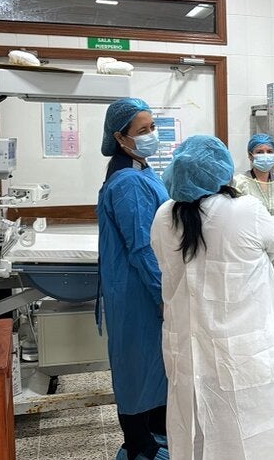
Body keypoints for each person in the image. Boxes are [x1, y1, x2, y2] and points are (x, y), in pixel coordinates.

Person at [150, 135, 274, 460]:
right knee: (251, 430)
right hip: (240, 348)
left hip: (187, 346)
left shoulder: (164, 216)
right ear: (222, 171)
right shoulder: (245, 210)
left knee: (194, 427)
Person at [97, 98, 170, 460]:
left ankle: (153, 435)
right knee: (136, 367)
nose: (151, 135)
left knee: (148, 365)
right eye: (143, 131)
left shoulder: (138, 169)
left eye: (152, 127)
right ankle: (140, 445)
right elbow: (142, 246)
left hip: (135, 287)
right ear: (120, 136)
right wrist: (163, 294)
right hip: (138, 290)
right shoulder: (128, 181)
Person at [232, 133, 274, 314]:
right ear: (250, 155)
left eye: (269, 151)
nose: (265, 155)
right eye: (259, 151)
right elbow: (234, 215)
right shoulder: (240, 182)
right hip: (249, 245)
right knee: (252, 288)